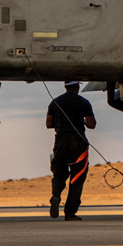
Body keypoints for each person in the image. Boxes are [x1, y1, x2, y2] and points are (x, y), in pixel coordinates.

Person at [47, 81, 97, 221]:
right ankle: (70, 213)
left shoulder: (55, 102)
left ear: (65, 86)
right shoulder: (83, 102)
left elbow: (48, 124)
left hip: (60, 142)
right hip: (78, 143)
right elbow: (92, 124)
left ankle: (56, 195)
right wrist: (82, 122)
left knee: (59, 173)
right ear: (77, 86)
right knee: (77, 178)